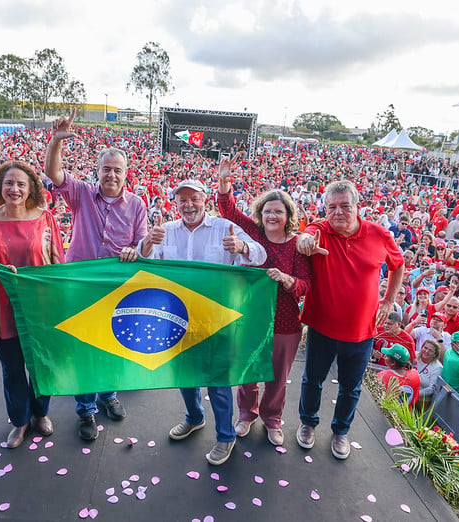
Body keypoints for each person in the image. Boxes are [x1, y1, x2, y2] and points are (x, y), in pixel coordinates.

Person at [138, 178, 266, 465]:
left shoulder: (224, 227)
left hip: (218, 320)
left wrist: (242, 247)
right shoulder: (166, 231)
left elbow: (261, 255)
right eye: (182, 199)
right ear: (175, 203)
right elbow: (144, 259)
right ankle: (194, 418)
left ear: (205, 200)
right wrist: (147, 242)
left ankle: (225, 437)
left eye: (194, 198)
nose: (189, 204)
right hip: (179, 318)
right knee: (186, 375)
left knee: (218, 380)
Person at [45, 108, 147, 441]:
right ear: (98, 171)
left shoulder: (137, 205)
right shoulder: (82, 194)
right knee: (85, 347)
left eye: (117, 170)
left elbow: (142, 241)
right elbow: (53, 173)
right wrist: (56, 142)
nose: (111, 175)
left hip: (117, 286)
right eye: (106, 169)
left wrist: (136, 248)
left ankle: (108, 395)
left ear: (126, 173)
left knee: (114, 344)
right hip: (82, 284)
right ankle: (86, 410)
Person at [295, 180, 404, 460]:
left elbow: (398, 264)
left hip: (361, 332)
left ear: (358, 207)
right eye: (332, 207)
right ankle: (308, 423)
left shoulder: (379, 235)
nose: (338, 212)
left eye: (345, 206)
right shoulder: (321, 230)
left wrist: (389, 299)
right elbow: (306, 235)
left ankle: (341, 430)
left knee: (350, 387)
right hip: (321, 327)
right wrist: (305, 239)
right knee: (312, 380)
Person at [216, 153, 312, 446]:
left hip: (285, 322)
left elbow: (307, 284)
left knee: (277, 376)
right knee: (248, 370)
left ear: (288, 216)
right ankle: (246, 414)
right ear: (261, 214)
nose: (272, 216)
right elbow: (228, 210)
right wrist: (223, 182)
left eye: (278, 212)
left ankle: (272, 418)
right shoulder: (253, 233)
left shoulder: (297, 245)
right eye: (267, 211)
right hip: (251, 317)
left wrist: (287, 280)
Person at [0, 160, 65, 449]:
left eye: (21, 184)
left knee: (41, 365)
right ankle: (20, 420)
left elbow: (58, 262)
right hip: (2, 307)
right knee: (12, 369)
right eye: (9, 183)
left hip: (41, 307)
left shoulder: (46, 219)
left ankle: (40, 413)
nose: (14, 189)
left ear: (31, 189)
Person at [377, 344, 420, 408]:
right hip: (404, 415)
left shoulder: (383, 376)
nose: (384, 356)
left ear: (393, 363)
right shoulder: (415, 374)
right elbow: (414, 399)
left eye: (387, 356)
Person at [415, 339, 443, 405]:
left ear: (435, 354)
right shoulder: (414, 356)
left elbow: (431, 389)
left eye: (430, 350)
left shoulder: (437, 368)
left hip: (421, 401)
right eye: (425, 348)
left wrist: (414, 394)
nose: (426, 351)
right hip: (405, 392)